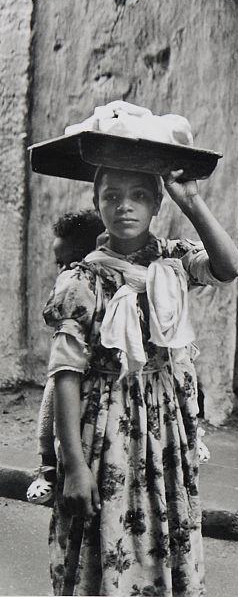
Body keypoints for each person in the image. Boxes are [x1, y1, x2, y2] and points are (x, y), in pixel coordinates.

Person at [44, 165, 238, 596]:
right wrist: (75, 466)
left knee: (164, 523)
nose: (124, 206)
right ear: (98, 203)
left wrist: (190, 200)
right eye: (111, 196)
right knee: (103, 529)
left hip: (163, 426)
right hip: (104, 425)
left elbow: (229, 267)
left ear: (155, 204)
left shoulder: (172, 261)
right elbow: (64, 375)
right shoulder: (81, 280)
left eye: (138, 195)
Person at [27, 211, 105, 506]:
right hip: (76, 357)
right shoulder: (69, 284)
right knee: (54, 391)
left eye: (72, 259)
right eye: (60, 263)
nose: (66, 268)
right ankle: (47, 464)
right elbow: (51, 314)